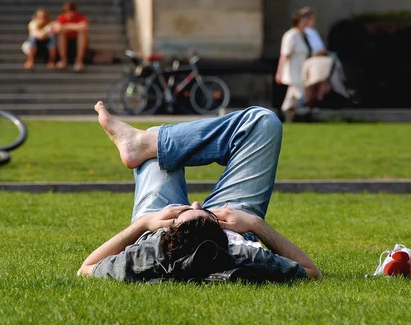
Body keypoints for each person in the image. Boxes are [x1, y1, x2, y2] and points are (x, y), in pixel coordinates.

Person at [77, 101, 322, 282]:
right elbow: (312, 272)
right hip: (234, 218)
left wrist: (144, 223)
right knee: (263, 122)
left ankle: (147, 144)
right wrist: (255, 224)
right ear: (223, 234)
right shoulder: (241, 253)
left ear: (169, 230)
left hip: (157, 217)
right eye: (204, 213)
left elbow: (86, 269)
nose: (196, 203)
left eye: (185, 211)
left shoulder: (150, 254)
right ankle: (149, 143)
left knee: (158, 156)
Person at [275, 9, 313, 116]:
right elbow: (284, 55)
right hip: (293, 71)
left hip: (301, 71)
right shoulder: (290, 35)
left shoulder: (303, 36)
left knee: (290, 98)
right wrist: (279, 71)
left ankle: (284, 115)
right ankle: (306, 111)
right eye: (303, 20)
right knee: (299, 93)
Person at [51, 2, 89, 72]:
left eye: (71, 12)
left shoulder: (80, 17)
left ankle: (79, 61)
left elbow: (83, 27)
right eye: (67, 12)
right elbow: (57, 28)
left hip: (77, 42)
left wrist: (66, 26)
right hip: (65, 43)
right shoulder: (61, 17)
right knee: (61, 34)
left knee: (82, 34)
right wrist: (74, 27)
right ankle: (63, 60)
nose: (69, 14)